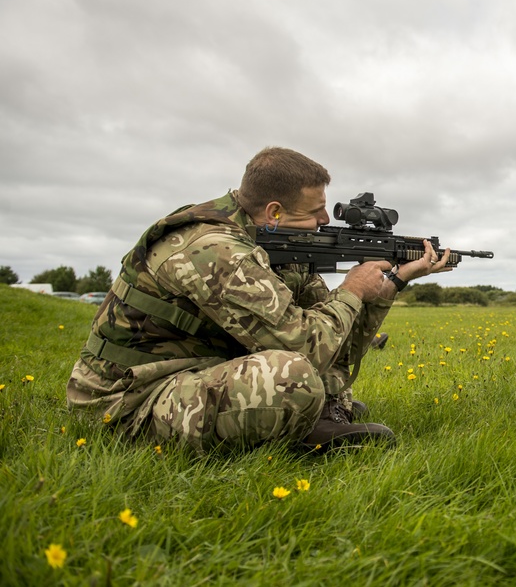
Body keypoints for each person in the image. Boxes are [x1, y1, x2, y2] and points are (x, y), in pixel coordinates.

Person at [66, 147, 450, 453]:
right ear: (274, 211)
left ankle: (311, 416)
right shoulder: (214, 249)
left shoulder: (276, 243)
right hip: (126, 400)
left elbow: (334, 342)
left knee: (319, 377)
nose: (324, 221)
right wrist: (351, 289)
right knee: (291, 376)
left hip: (190, 373)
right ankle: (299, 430)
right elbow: (306, 349)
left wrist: (390, 284)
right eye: (316, 211)